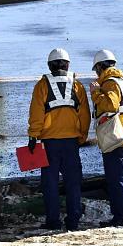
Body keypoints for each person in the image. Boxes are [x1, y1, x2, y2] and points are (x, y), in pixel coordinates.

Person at [27, 48, 91, 231]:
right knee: (73, 183)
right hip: (71, 141)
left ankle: (53, 221)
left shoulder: (42, 85)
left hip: (49, 143)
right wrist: (82, 136)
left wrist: (33, 135)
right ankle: (73, 221)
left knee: (50, 184)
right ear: (68, 64)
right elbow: (85, 115)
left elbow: (36, 113)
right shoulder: (77, 85)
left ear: (49, 65)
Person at [90, 49, 123, 227]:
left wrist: (95, 93)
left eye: (96, 69)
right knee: (121, 177)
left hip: (115, 136)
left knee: (115, 179)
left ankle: (121, 217)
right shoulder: (122, 81)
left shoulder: (109, 83)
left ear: (101, 66)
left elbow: (110, 104)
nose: (96, 73)